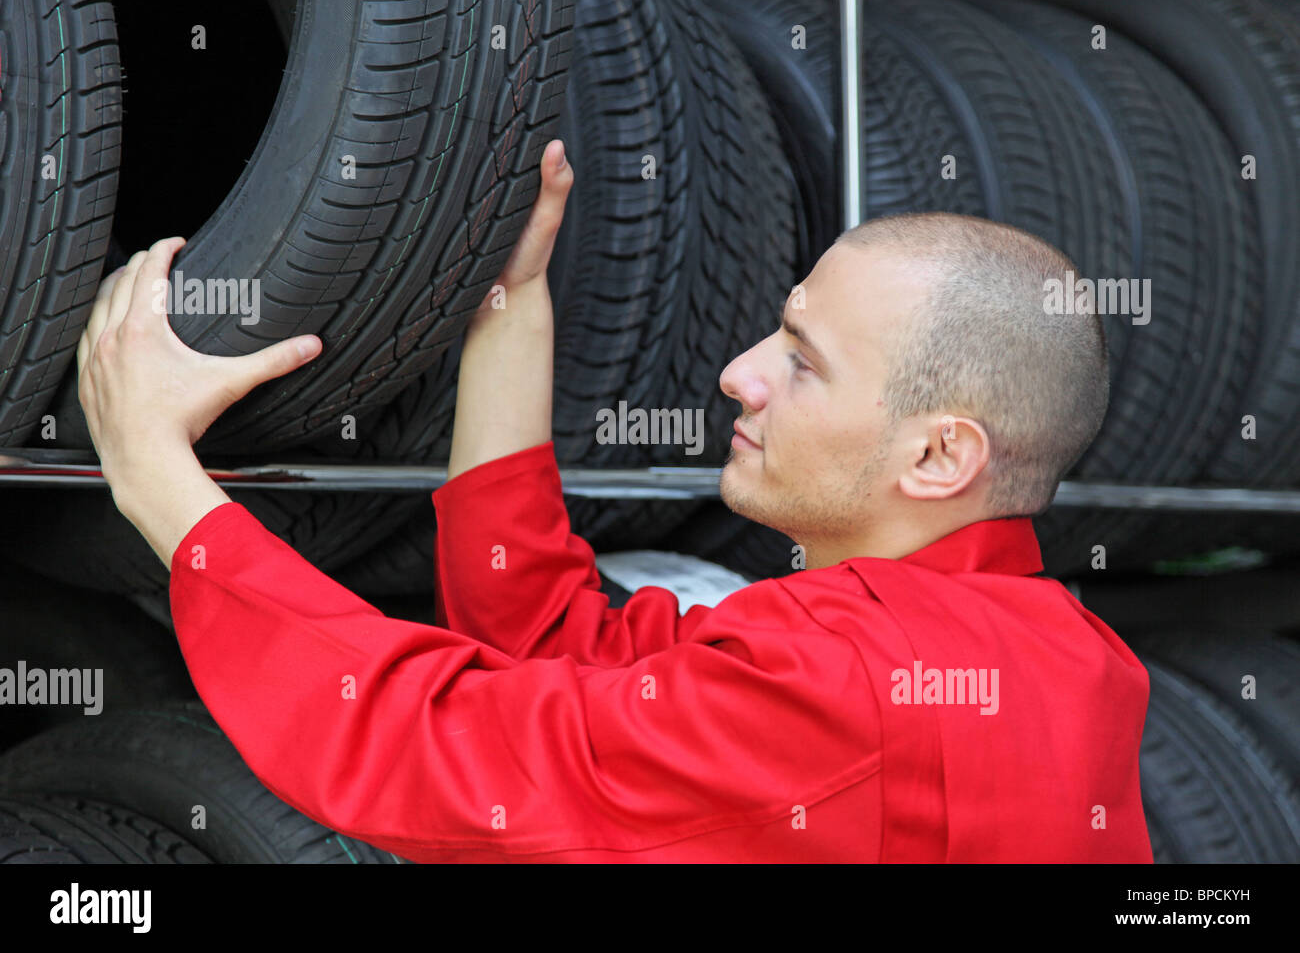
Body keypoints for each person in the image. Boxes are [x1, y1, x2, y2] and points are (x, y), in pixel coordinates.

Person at [77, 138, 1153, 862]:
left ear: (937, 456)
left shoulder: (842, 682)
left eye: (803, 360)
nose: (739, 371)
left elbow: (441, 744)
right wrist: (511, 300)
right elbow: (555, 643)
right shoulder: (1072, 657)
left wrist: (154, 472)